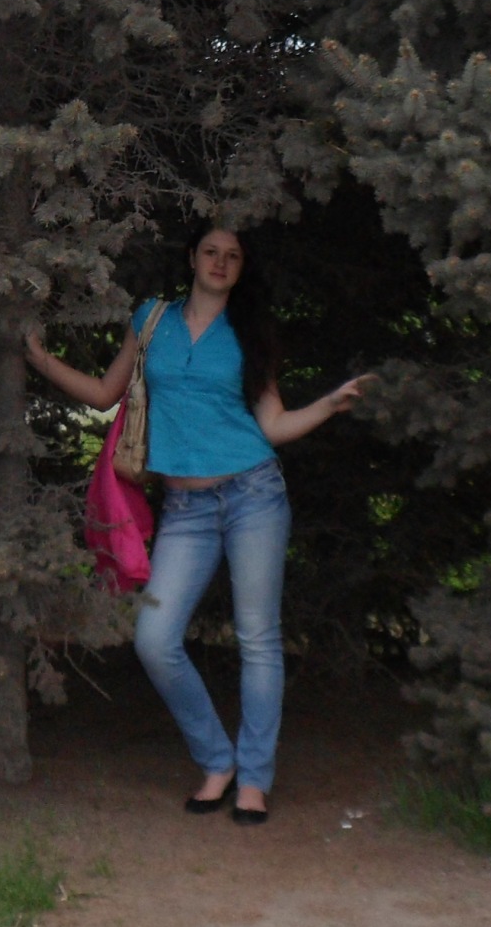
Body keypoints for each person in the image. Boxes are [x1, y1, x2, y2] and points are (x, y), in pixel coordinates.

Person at [24, 225, 366, 824]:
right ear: (191, 258)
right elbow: (105, 393)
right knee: (154, 640)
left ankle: (253, 780)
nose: (220, 262)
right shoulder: (151, 319)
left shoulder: (250, 331)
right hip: (186, 510)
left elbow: (274, 424)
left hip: (254, 494)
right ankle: (216, 761)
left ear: (241, 268)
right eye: (211, 251)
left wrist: (331, 404)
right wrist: (39, 359)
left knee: (258, 638)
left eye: (232, 256)